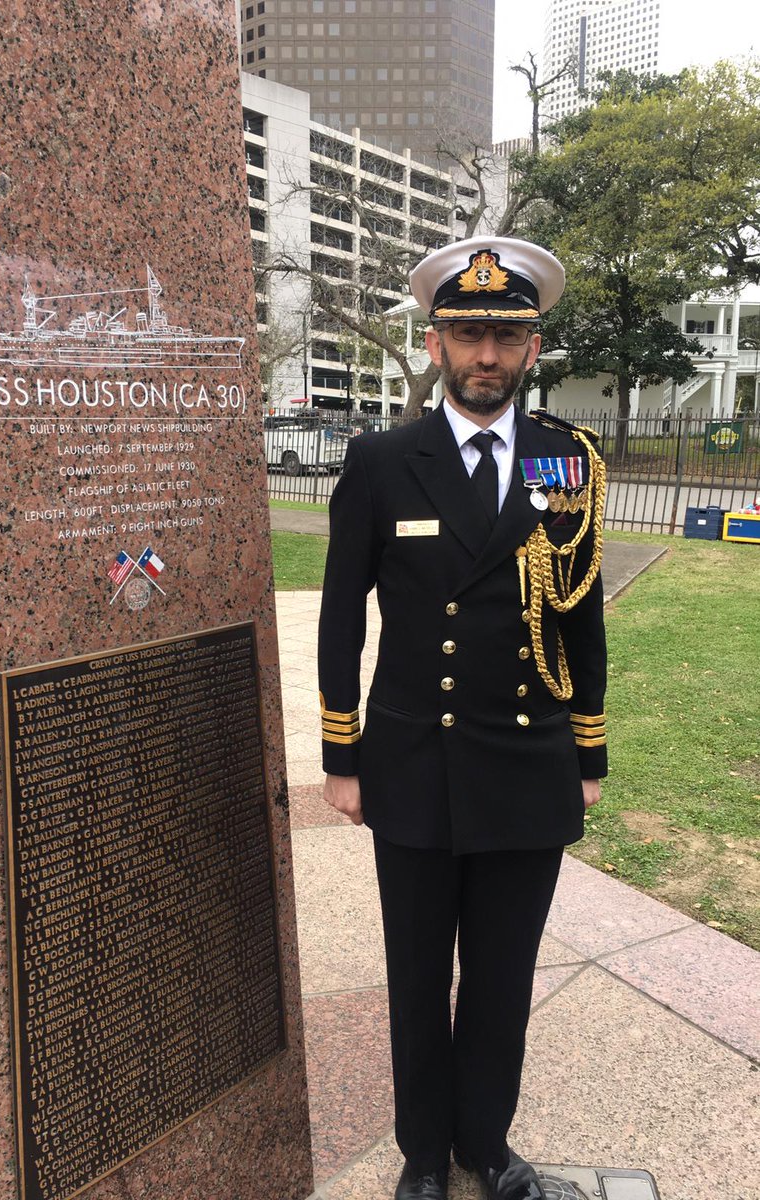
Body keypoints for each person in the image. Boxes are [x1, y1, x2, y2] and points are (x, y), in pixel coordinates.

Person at [317, 236, 608, 1200]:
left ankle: (487, 1145)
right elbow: (339, 612)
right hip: (412, 763)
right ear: (436, 343)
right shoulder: (383, 459)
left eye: (506, 337)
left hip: (528, 761)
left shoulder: (568, 462)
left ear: (534, 348)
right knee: (415, 973)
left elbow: (577, 612)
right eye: (468, 334)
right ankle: (422, 1156)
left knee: (500, 977)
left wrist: (590, 746)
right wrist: (341, 753)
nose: (487, 355)